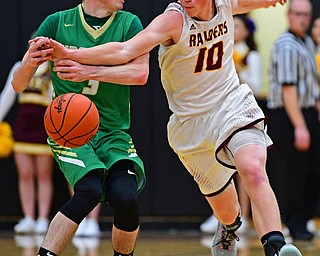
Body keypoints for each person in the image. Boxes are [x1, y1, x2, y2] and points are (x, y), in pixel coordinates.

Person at [45, 0, 304, 255]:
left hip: (231, 104)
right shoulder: (174, 20)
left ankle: (276, 248)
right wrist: (71, 54)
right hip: (190, 123)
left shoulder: (226, 4)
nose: (186, 0)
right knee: (226, 210)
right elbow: (125, 51)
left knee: (253, 168)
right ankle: (228, 226)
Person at [11, 1, 149, 256]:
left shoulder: (130, 23)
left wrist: (88, 71)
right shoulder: (56, 22)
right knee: (89, 190)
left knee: (126, 197)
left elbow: (140, 74)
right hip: (70, 134)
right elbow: (18, 84)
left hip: (113, 132)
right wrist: (29, 63)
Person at [200, 13, 263, 235]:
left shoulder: (250, 56)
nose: (233, 29)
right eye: (231, 25)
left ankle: (244, 216)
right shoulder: (220, 49)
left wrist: (238, 73)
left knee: (244, 167)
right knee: (217, 163)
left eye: (237, 25)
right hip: (218, 111)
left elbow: (257, 85)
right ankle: (224, 214)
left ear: (246, 30)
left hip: (244, 112)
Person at [267, 0, 320, 241]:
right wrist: (300, 126)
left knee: (309, 171)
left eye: (307, 15)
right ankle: (291, 223)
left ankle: (302, 221)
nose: (303, 19)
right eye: (298, 14)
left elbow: (311, 87)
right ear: (289, 15)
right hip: (289, 116)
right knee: (293, 173)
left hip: (307, 112)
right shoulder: (286, 46)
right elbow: (289, 90)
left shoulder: (307, 42)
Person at [0, 58, 54, 234]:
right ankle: (29, 217)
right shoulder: (20, 66)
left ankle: (42, 219)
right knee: (24, 174)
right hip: (23, 127)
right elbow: (7, 95)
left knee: (44, 175)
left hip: (44, 127)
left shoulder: (54, 69)